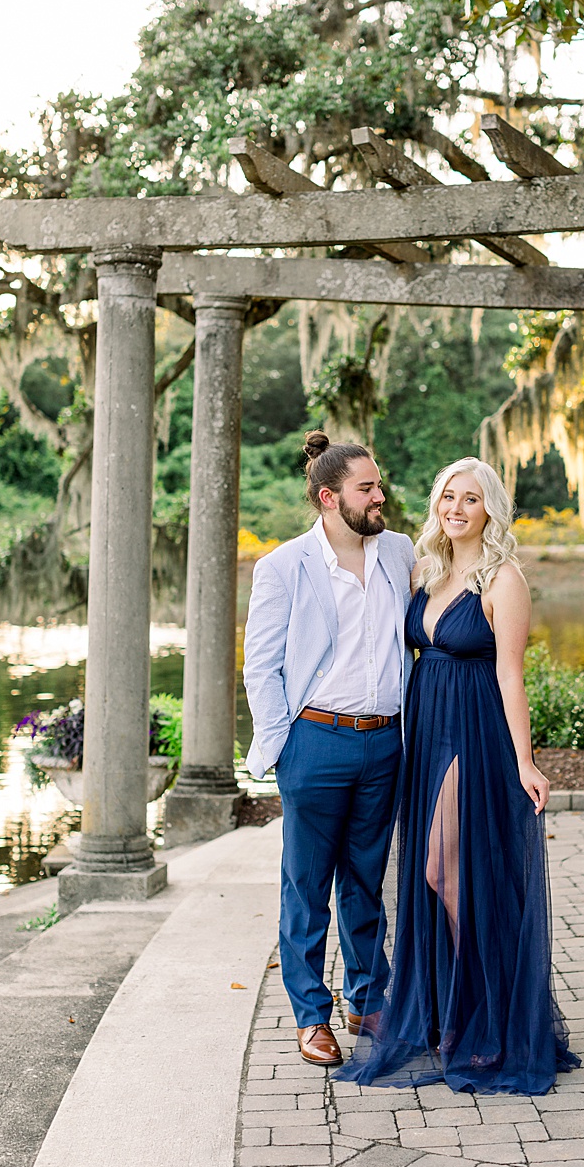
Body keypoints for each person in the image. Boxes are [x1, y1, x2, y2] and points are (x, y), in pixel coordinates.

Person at [338, 456, 579, 1095]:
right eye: (448, 496)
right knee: (429, 870)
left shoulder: (503, 581)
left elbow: (510, 675)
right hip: (426, 732)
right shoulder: (428, 571)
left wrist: (525, 760)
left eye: (470, 499)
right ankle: (446, 1010)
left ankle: (482, 1014)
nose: (456, 508)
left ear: (489, 510)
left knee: (450, 870)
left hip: (475, 734)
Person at [243, 432, 415, 1067]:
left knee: (367, 880)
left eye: (378, 485)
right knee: (307, 883)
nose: (380, 496)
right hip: (314, 741)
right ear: (327, 497)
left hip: (386, 743)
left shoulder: (398, 551)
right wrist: (284, 746)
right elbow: (260, 668)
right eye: (366, 488)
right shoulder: (284, 566)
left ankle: (368, 998)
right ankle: (311, 1013)